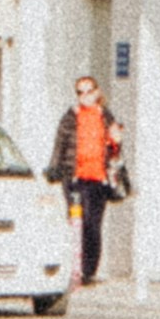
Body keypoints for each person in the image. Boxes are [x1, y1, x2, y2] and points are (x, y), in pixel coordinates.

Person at [44, 71, 127, 285]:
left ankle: (89, 269)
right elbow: (60, 144)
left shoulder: (105, 116)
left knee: (92, 224)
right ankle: (75, 267)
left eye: (89, 91)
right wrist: (54, 170)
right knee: (75, 221)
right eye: (80, 92)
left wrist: (116, 141)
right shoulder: (71, 116)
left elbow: (115, 149)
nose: (85, 96)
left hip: (98, 178)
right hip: (75, 177)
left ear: (97, 92)